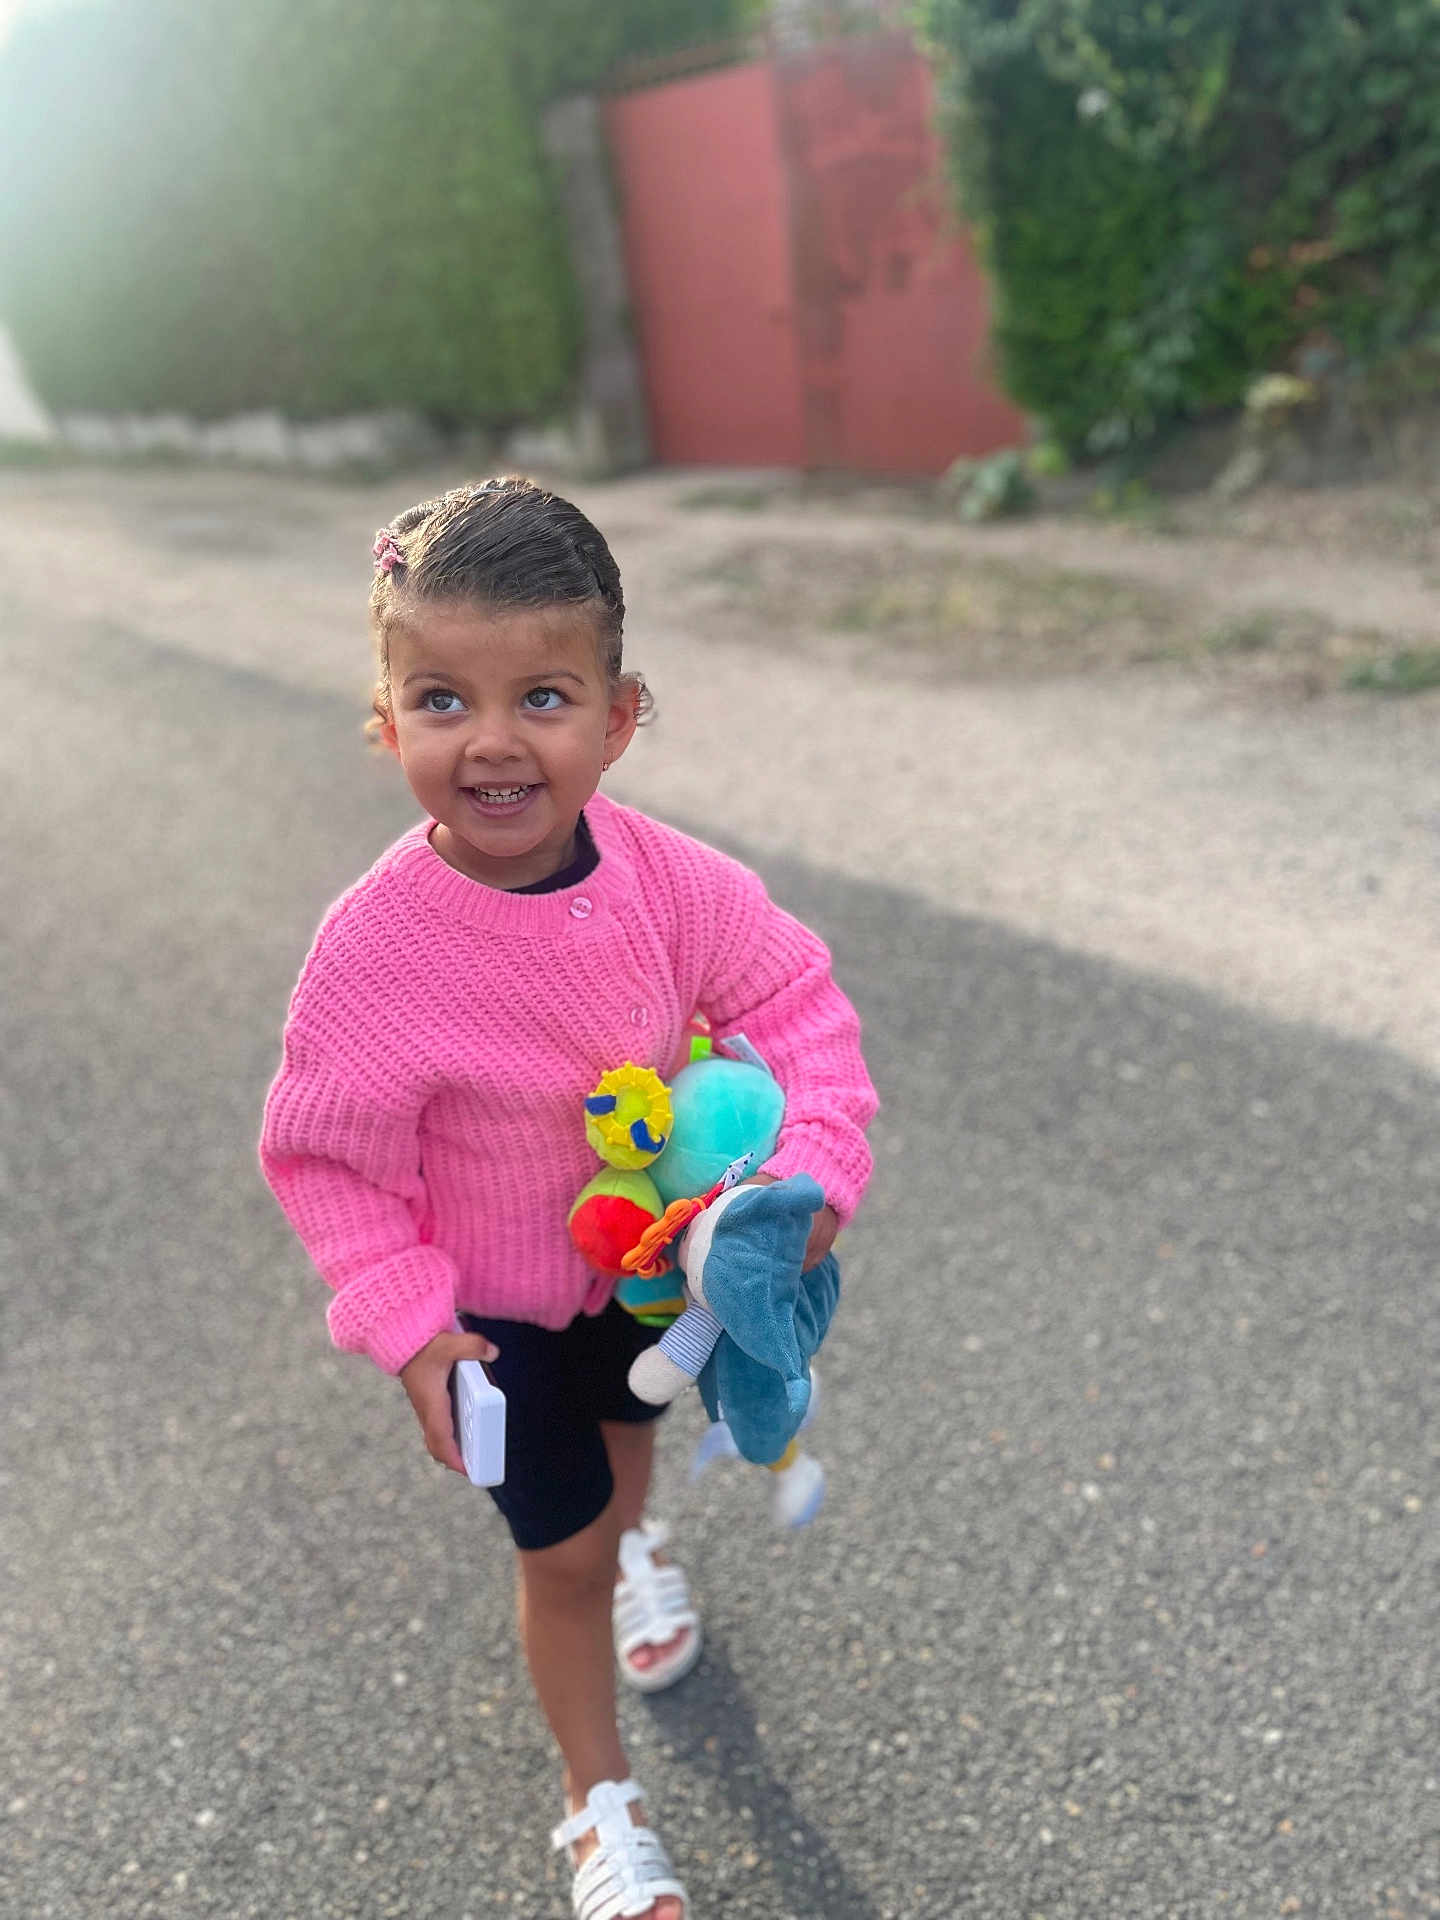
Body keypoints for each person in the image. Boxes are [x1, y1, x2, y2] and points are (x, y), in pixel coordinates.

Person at [259, 477, 877, 1920]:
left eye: (541, 695)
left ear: (619, 715)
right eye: (438, 697)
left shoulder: (678, 885)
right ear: (384, 716)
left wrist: (814, 1173)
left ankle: (640, 1533)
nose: (490, 740)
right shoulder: (372, 951)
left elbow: (794, 996)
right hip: (493, 1320)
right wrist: (409, 1323)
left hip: (655, 1275)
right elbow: (327, 1156)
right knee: (563, 1553)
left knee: (629, 1435)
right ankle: (596, 1801)